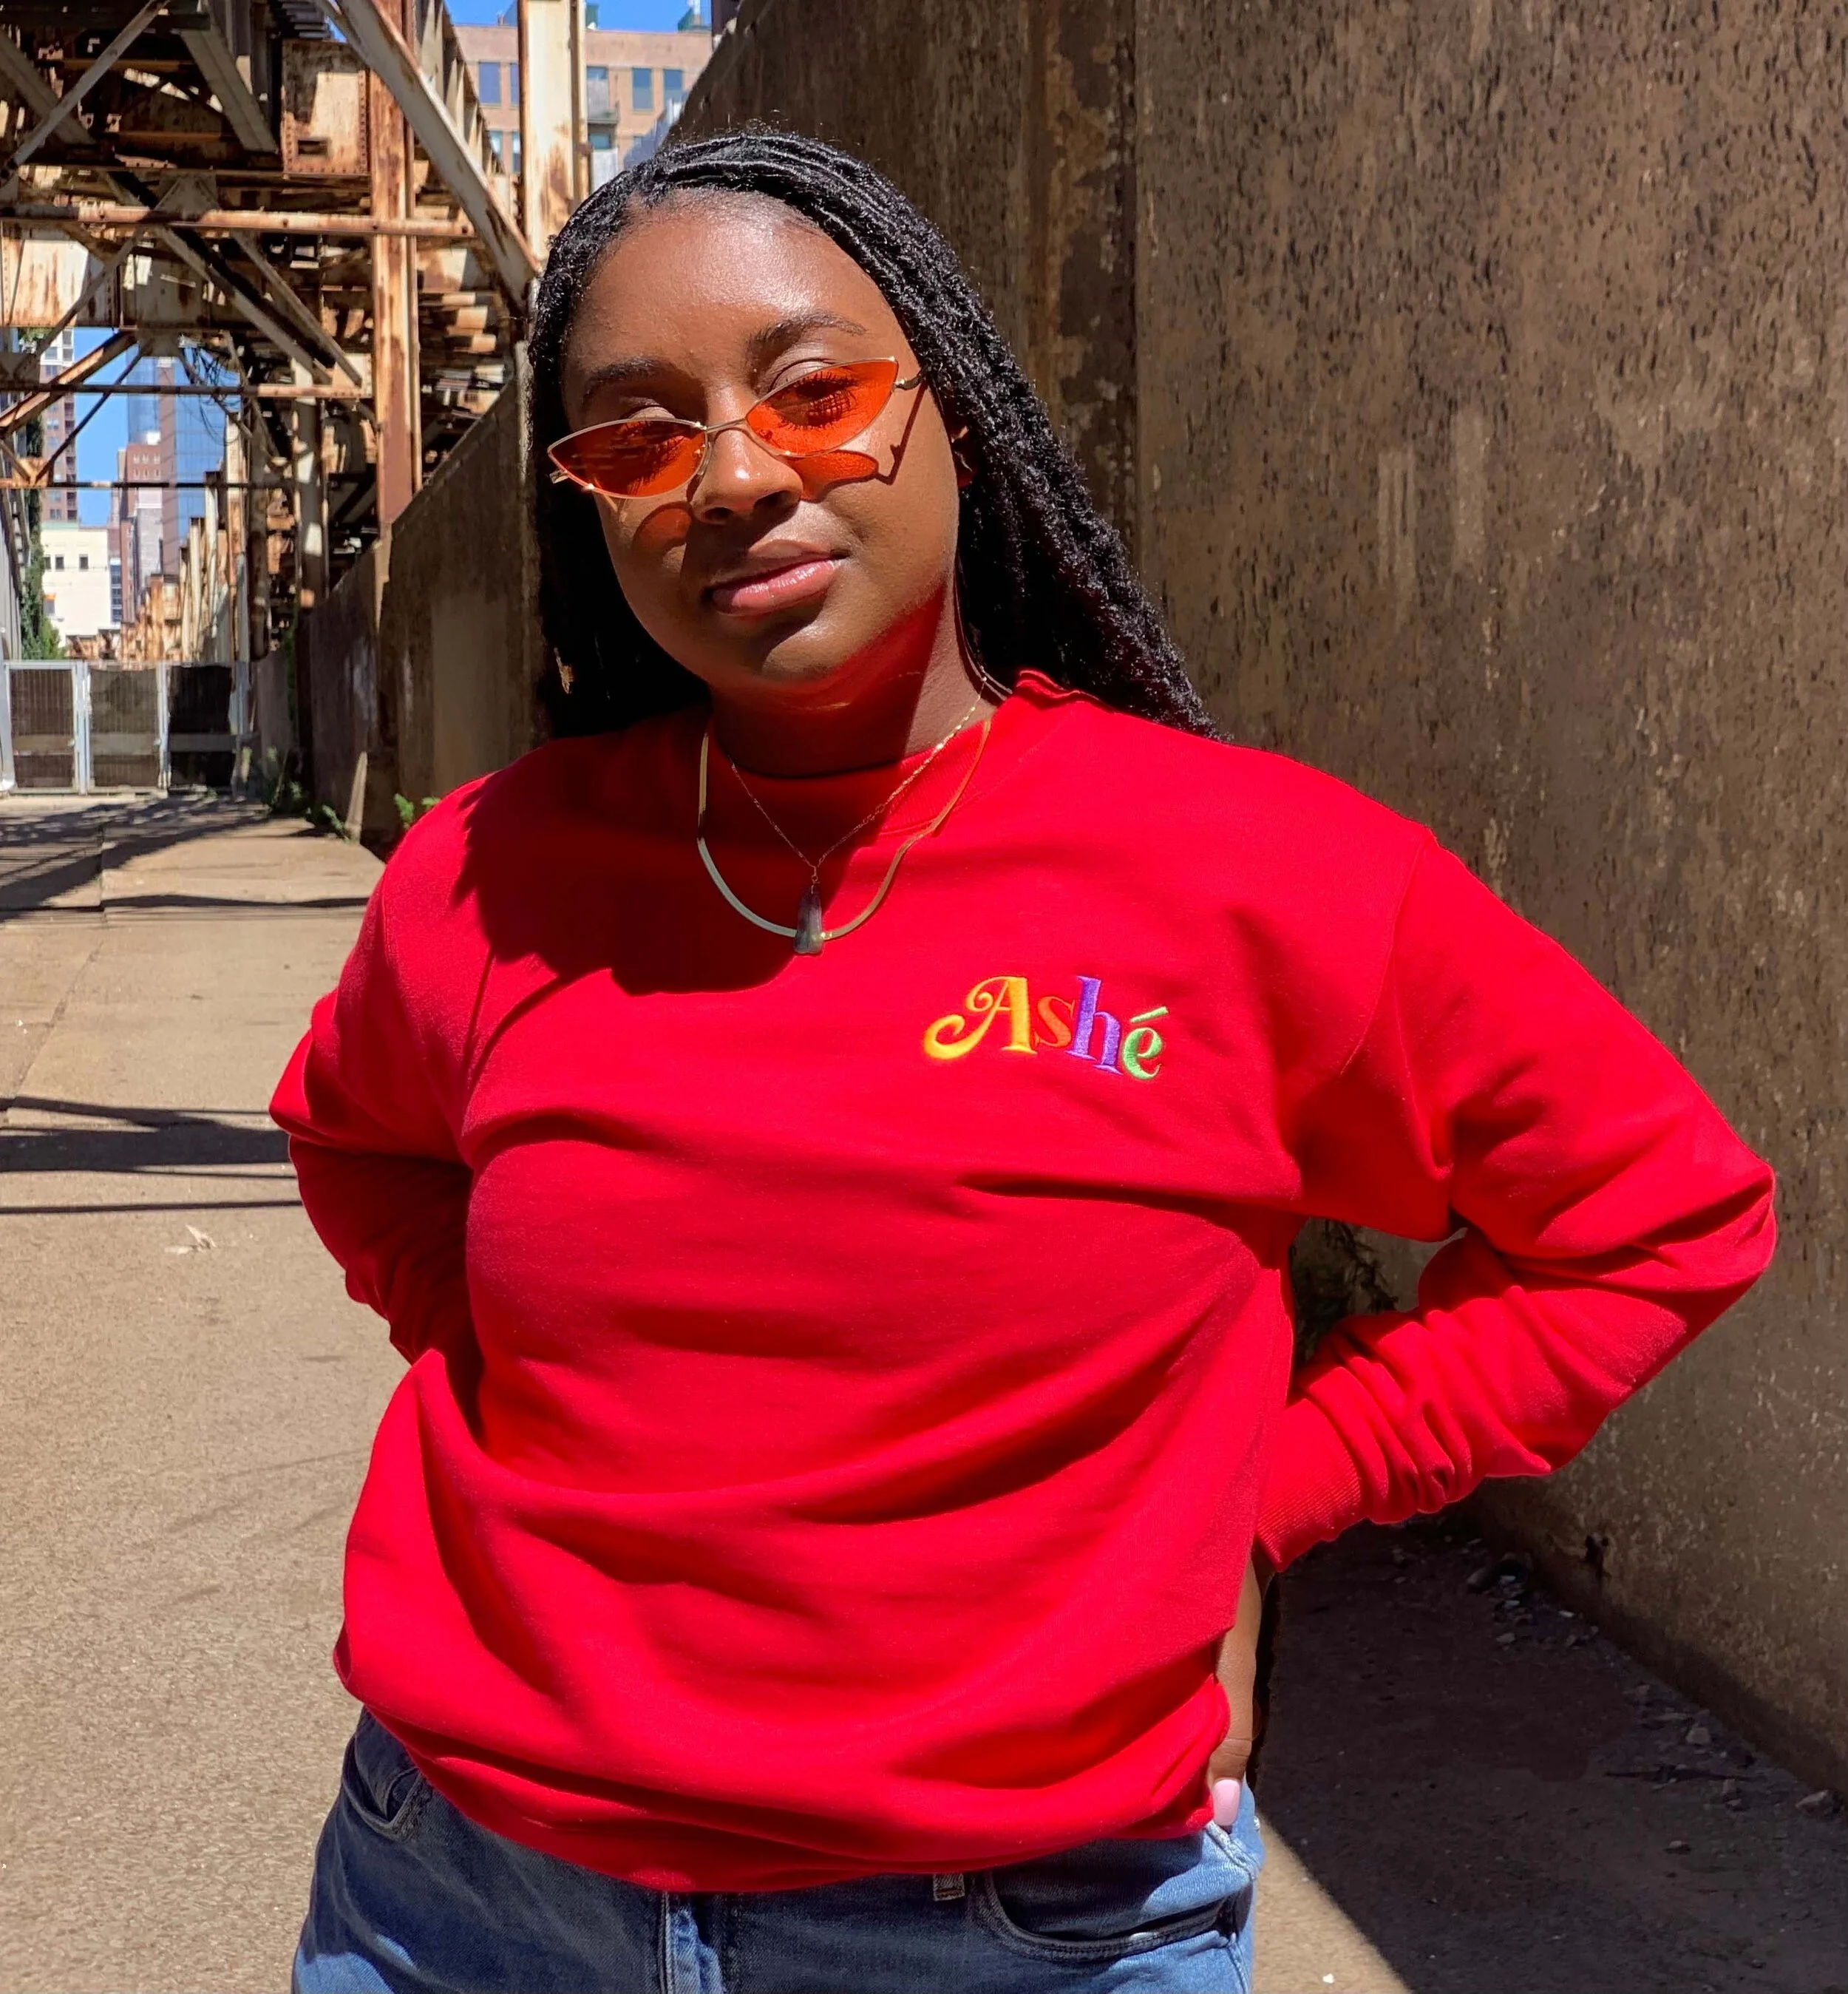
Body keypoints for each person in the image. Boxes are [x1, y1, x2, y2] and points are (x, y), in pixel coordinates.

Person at [272, 130, 1776, 1994]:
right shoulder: (487, 874)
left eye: (815, 392)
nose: (733, 478)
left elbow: (1655, 1219)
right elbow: (355, 1141)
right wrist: (515, 1362)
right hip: (462, 1899)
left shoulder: (1253, 874)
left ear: (956, 418)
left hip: (1011, 1930)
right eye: (638, 436)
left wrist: (1263, 1494)